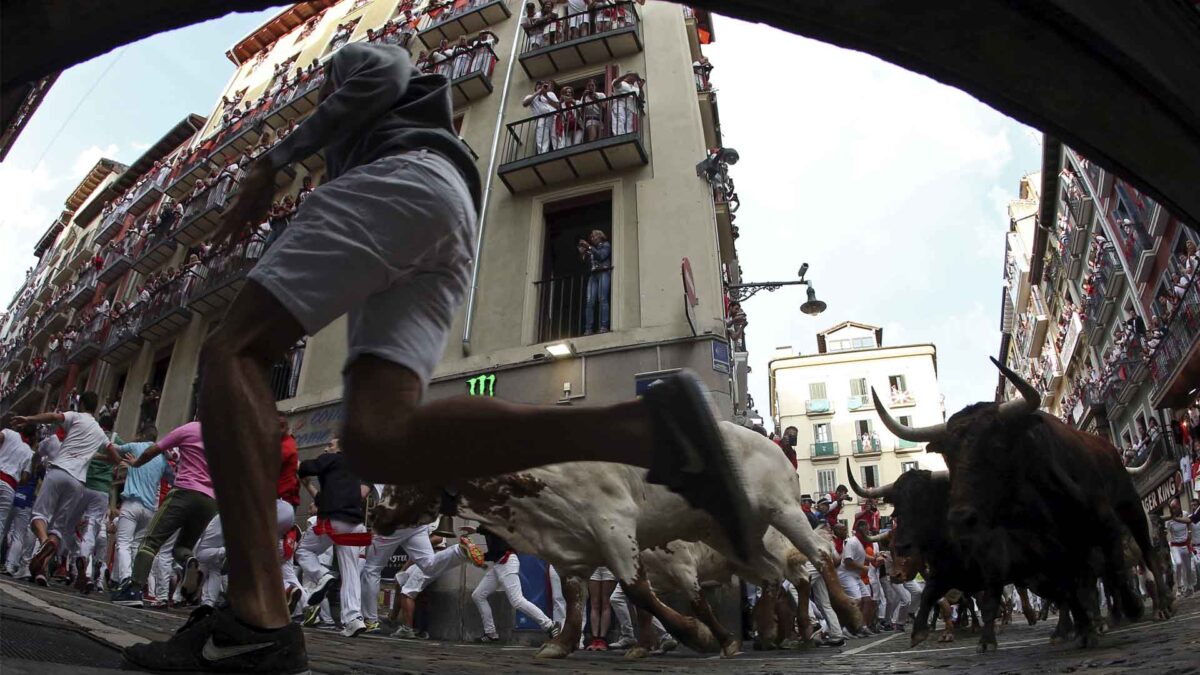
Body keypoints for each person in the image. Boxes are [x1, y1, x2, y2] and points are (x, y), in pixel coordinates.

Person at [128, 41, 752, 674]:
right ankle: (648, 430)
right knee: (379, 438)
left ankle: (256, 616)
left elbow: (388, 68)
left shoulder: (357, 51)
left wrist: (277, 159)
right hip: (443, 210)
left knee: (233, 352)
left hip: (398, 183)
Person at [110, 419, 217, 607]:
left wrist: (136, 463)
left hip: (184, 492)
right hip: (209, 500)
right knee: (181, 549)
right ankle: (190, 561)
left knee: (150, 542)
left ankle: (133, 590)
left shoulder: (190, 428)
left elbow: (153, 450)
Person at [14, 392, 115, 586]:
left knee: (38, 517)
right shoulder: (100, 432)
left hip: (59, 471)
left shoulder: (75, 416)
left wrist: (29, 418)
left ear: (82, 404)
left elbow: (53, 417)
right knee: (58, 528)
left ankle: (44, 542)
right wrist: (127, 463)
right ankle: (41, 569)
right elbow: (112, 456)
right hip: (78, 482)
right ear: (96, 406)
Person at [295, 438, 371, 638]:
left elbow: (307, 467)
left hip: (333, 520)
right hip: (354, 524)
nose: (327, 447)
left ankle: (322, 575)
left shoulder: (333, 459)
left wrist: (292, 462)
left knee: (304, 550)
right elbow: (326, 497)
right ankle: (353, 619)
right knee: (351, 571)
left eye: (331, 444)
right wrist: (309, 487)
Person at [466, 524, 559, 642]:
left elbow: (497, 529)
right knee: (478, 595)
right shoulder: (488, 527)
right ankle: (491, 633)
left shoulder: (497, 522)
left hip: (507, 562)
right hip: (499, 564)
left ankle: (550, 625)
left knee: (517, 600)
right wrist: (479, 557)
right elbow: (495, 551)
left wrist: (477, 530)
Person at [110, 424, 169, 587]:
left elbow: (115, 447)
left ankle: (125, 579)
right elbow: (173, 478)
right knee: (135, 546)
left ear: (142, 435)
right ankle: (129, 581)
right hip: (149, 509)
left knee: (123, 543)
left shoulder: (135, 446)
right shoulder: (162, 457)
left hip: (131, 504)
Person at [0, 416, 34, 541]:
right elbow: (25, 478)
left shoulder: (9, 433)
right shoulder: (29, 452)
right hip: (10, 486)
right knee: (1, 523)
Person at [1165, 498, 1194, 597]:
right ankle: (1179, 587)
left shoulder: (1185, 514)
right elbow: (1166, 531)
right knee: (1178, 563)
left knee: (1188, 568)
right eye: (1171, 508)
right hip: (1175, 546)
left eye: (1175, 507)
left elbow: (1189, 523)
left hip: (1185, 544)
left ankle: (1189, 587)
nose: (1174, 509)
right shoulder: (1169, 520)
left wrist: (1189, 534)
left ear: (1179, 506)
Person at [522, 80, 560, 154]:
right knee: (542, 139)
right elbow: (525, 104)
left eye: (543, 84)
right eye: (539, 84)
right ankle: (543, 153)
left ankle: (558, 151)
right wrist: (537, 93)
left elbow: (557, 106)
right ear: (535, 87)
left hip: (553, 117)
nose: (541, 85)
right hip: (541, 119)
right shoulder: (531, 96)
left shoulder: (550, 94)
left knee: (556, 137)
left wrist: (546, 95)